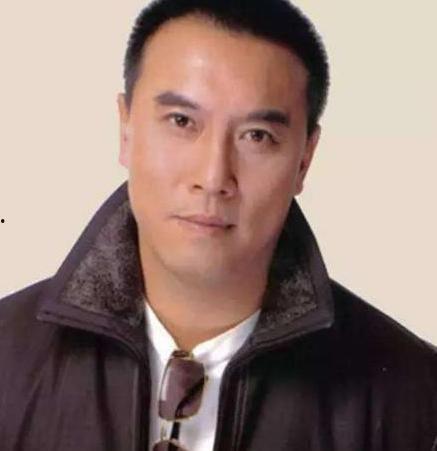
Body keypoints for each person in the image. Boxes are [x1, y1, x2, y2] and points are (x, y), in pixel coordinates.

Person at [0, 0, 436, 449]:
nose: (212, 177)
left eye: (257, 136)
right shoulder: (7, 360)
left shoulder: (416, 401)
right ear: (125, 130)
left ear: (305, 159)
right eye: (182, 121)